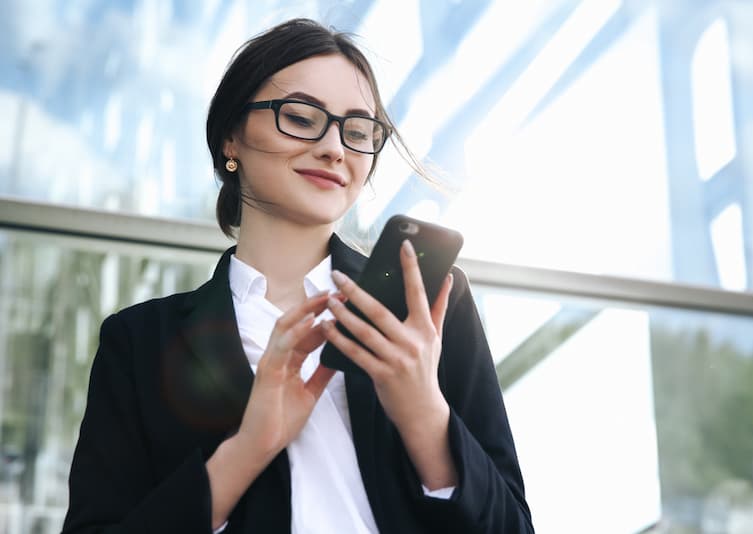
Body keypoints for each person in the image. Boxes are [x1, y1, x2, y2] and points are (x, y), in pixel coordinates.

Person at [62, 18, 534, 534]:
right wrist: (247, 449)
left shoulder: (425, 303)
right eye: (303, 118)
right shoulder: (139, 343)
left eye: (357, 131)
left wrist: (424, 413)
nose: (336, 148)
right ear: (230, 139)